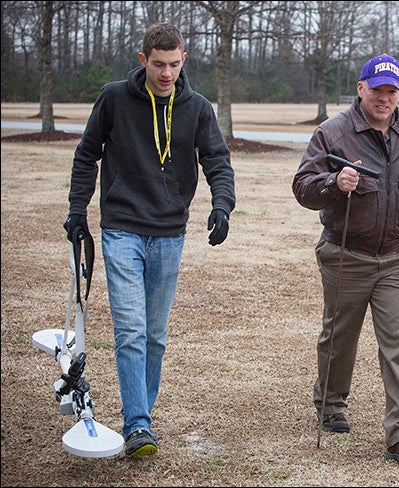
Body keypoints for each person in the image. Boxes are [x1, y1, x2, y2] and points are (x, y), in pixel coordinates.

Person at [63, 22, 236, 457]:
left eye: (174, 65)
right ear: (143, 61)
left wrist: (222, 205)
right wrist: (76, 211)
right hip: (121, 226)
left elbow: (217, 158)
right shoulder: (115, 97)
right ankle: (138, 423)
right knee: (131, 331)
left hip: (169, 233)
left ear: (183, 61)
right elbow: (87, 153)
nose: (166, 74)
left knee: (155, 335)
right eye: (158, 64)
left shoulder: (197, 107)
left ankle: (143, 415)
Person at [292, 54, 399, 464]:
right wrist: (334, 182)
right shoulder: (332, 133)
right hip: (346, 253)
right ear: (361, 88)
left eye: (392, 90)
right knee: (339, 336)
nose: (384, 97)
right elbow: (303, 188)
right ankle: (330, 404)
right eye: (377, 89)